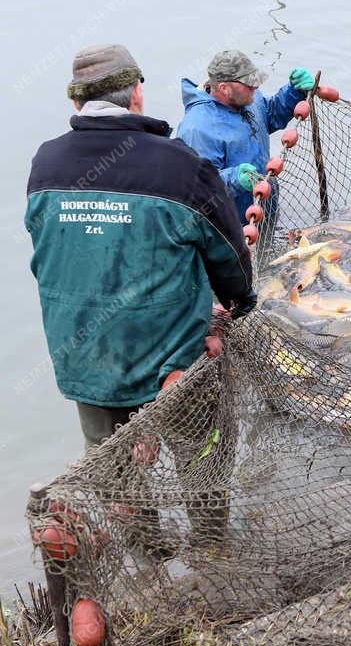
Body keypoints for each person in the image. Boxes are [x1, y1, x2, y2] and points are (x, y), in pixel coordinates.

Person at [25, 44, 255, 450]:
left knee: (113, 475)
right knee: (203, 462)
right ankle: (204, 511)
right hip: (176, 363)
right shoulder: (180, 165)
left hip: (86, 363)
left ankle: (123, 509)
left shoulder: (46, 163)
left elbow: (48, 257)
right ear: (137, 93)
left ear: (77, 101)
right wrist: (240, 300)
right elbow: (227, 252)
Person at [176, 51, 315, 225]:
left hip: (263, 207)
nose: (255, 87)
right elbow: (198, 186)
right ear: (224, 88)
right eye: (249, 84)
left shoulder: (247, 97)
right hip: (229, 228)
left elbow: (269, 116)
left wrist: (294, 92)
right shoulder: (198, 128)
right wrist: (235, 178)